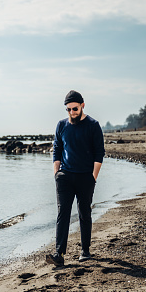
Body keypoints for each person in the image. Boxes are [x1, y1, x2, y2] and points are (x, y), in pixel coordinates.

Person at [46, 90, 105, 267]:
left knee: (84, 212)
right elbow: (57, 148)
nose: (71, 113)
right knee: (63, 213)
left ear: (82, 106)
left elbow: (99, 153)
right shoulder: (61, 125)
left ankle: (85, 250)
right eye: (69, 109)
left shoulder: (93, 125)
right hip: (65, 177)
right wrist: (57, 173)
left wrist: (93, 177)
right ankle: (59, 254)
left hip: (85, 177)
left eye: (75, 109)